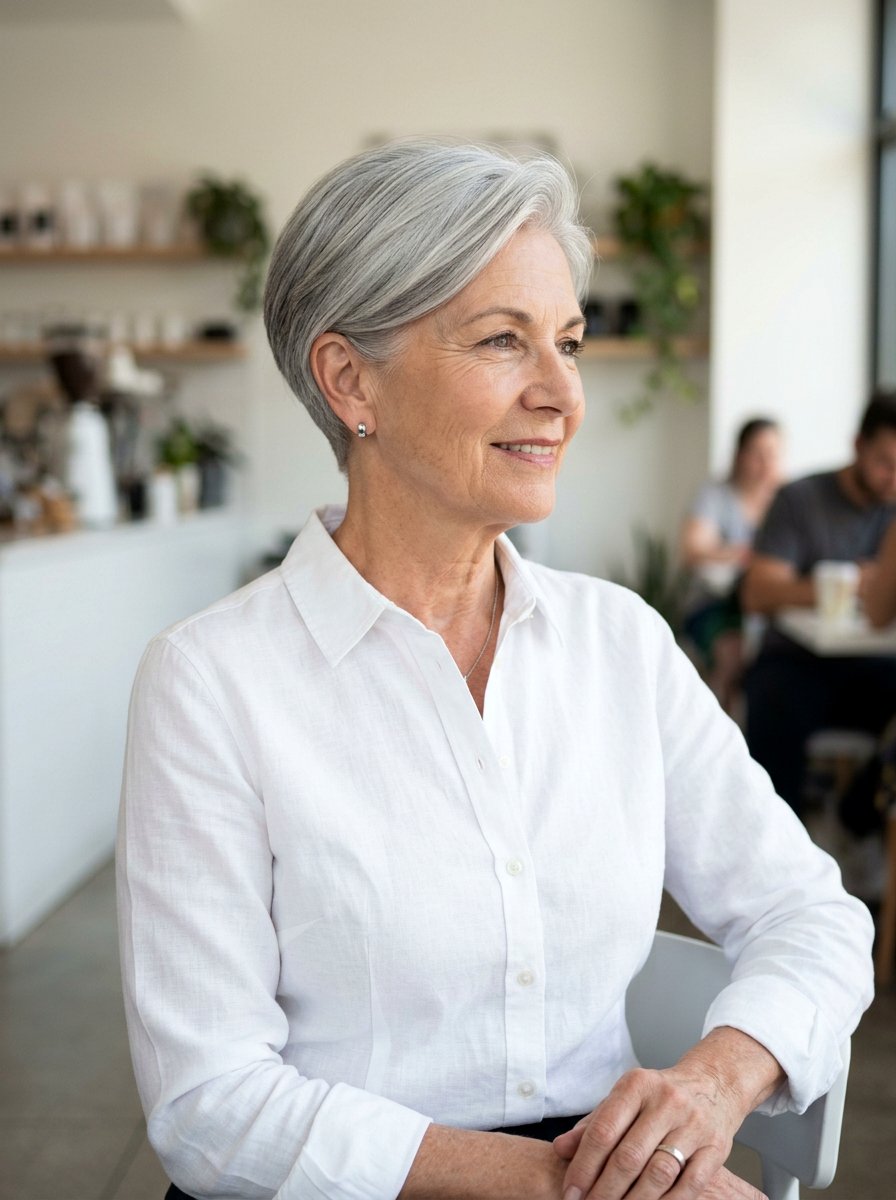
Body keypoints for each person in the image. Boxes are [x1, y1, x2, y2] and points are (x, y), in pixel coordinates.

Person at [117, 141, 873, 1200]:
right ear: (349, 381)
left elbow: (813, 917)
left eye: (564, 341)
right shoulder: (210, 682)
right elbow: (208, 1103)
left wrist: (708, 1089)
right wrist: (568, 1185)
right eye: (501, 341)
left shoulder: (621, 644)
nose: (561, 393)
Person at [740, 393, 896, 815]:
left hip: (873, 666)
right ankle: (771, 849)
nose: (893, 479)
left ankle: (857, 816)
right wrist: (849, 583)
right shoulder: (801, 499)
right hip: (796, 659)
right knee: (775, 702)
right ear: (859, 446)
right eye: (885, 462)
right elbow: (757, 593)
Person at [680, 419, 783, 710]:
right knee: (733, 653)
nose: (765, 463)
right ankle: (722, 733)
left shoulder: (788, 501)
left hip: (769, 612)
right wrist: (742, 554)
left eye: (773, 454)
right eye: (757, 453)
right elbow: (692, 550)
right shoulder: (716, 496)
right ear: (740, 455)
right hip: (716, 605)